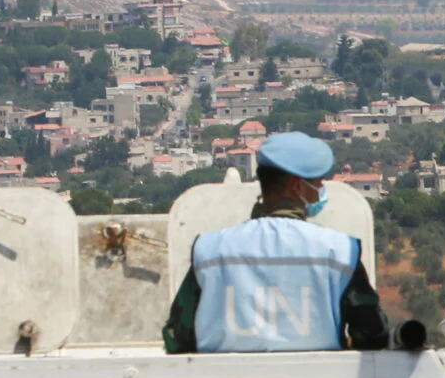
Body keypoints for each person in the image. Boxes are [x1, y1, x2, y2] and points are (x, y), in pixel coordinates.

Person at [164, 132, 391, 353]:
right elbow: (372, 334)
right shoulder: (339, 251)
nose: (321, 192)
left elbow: (177, 336)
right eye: (318, 184)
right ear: (297, 186)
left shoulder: (210, 249)